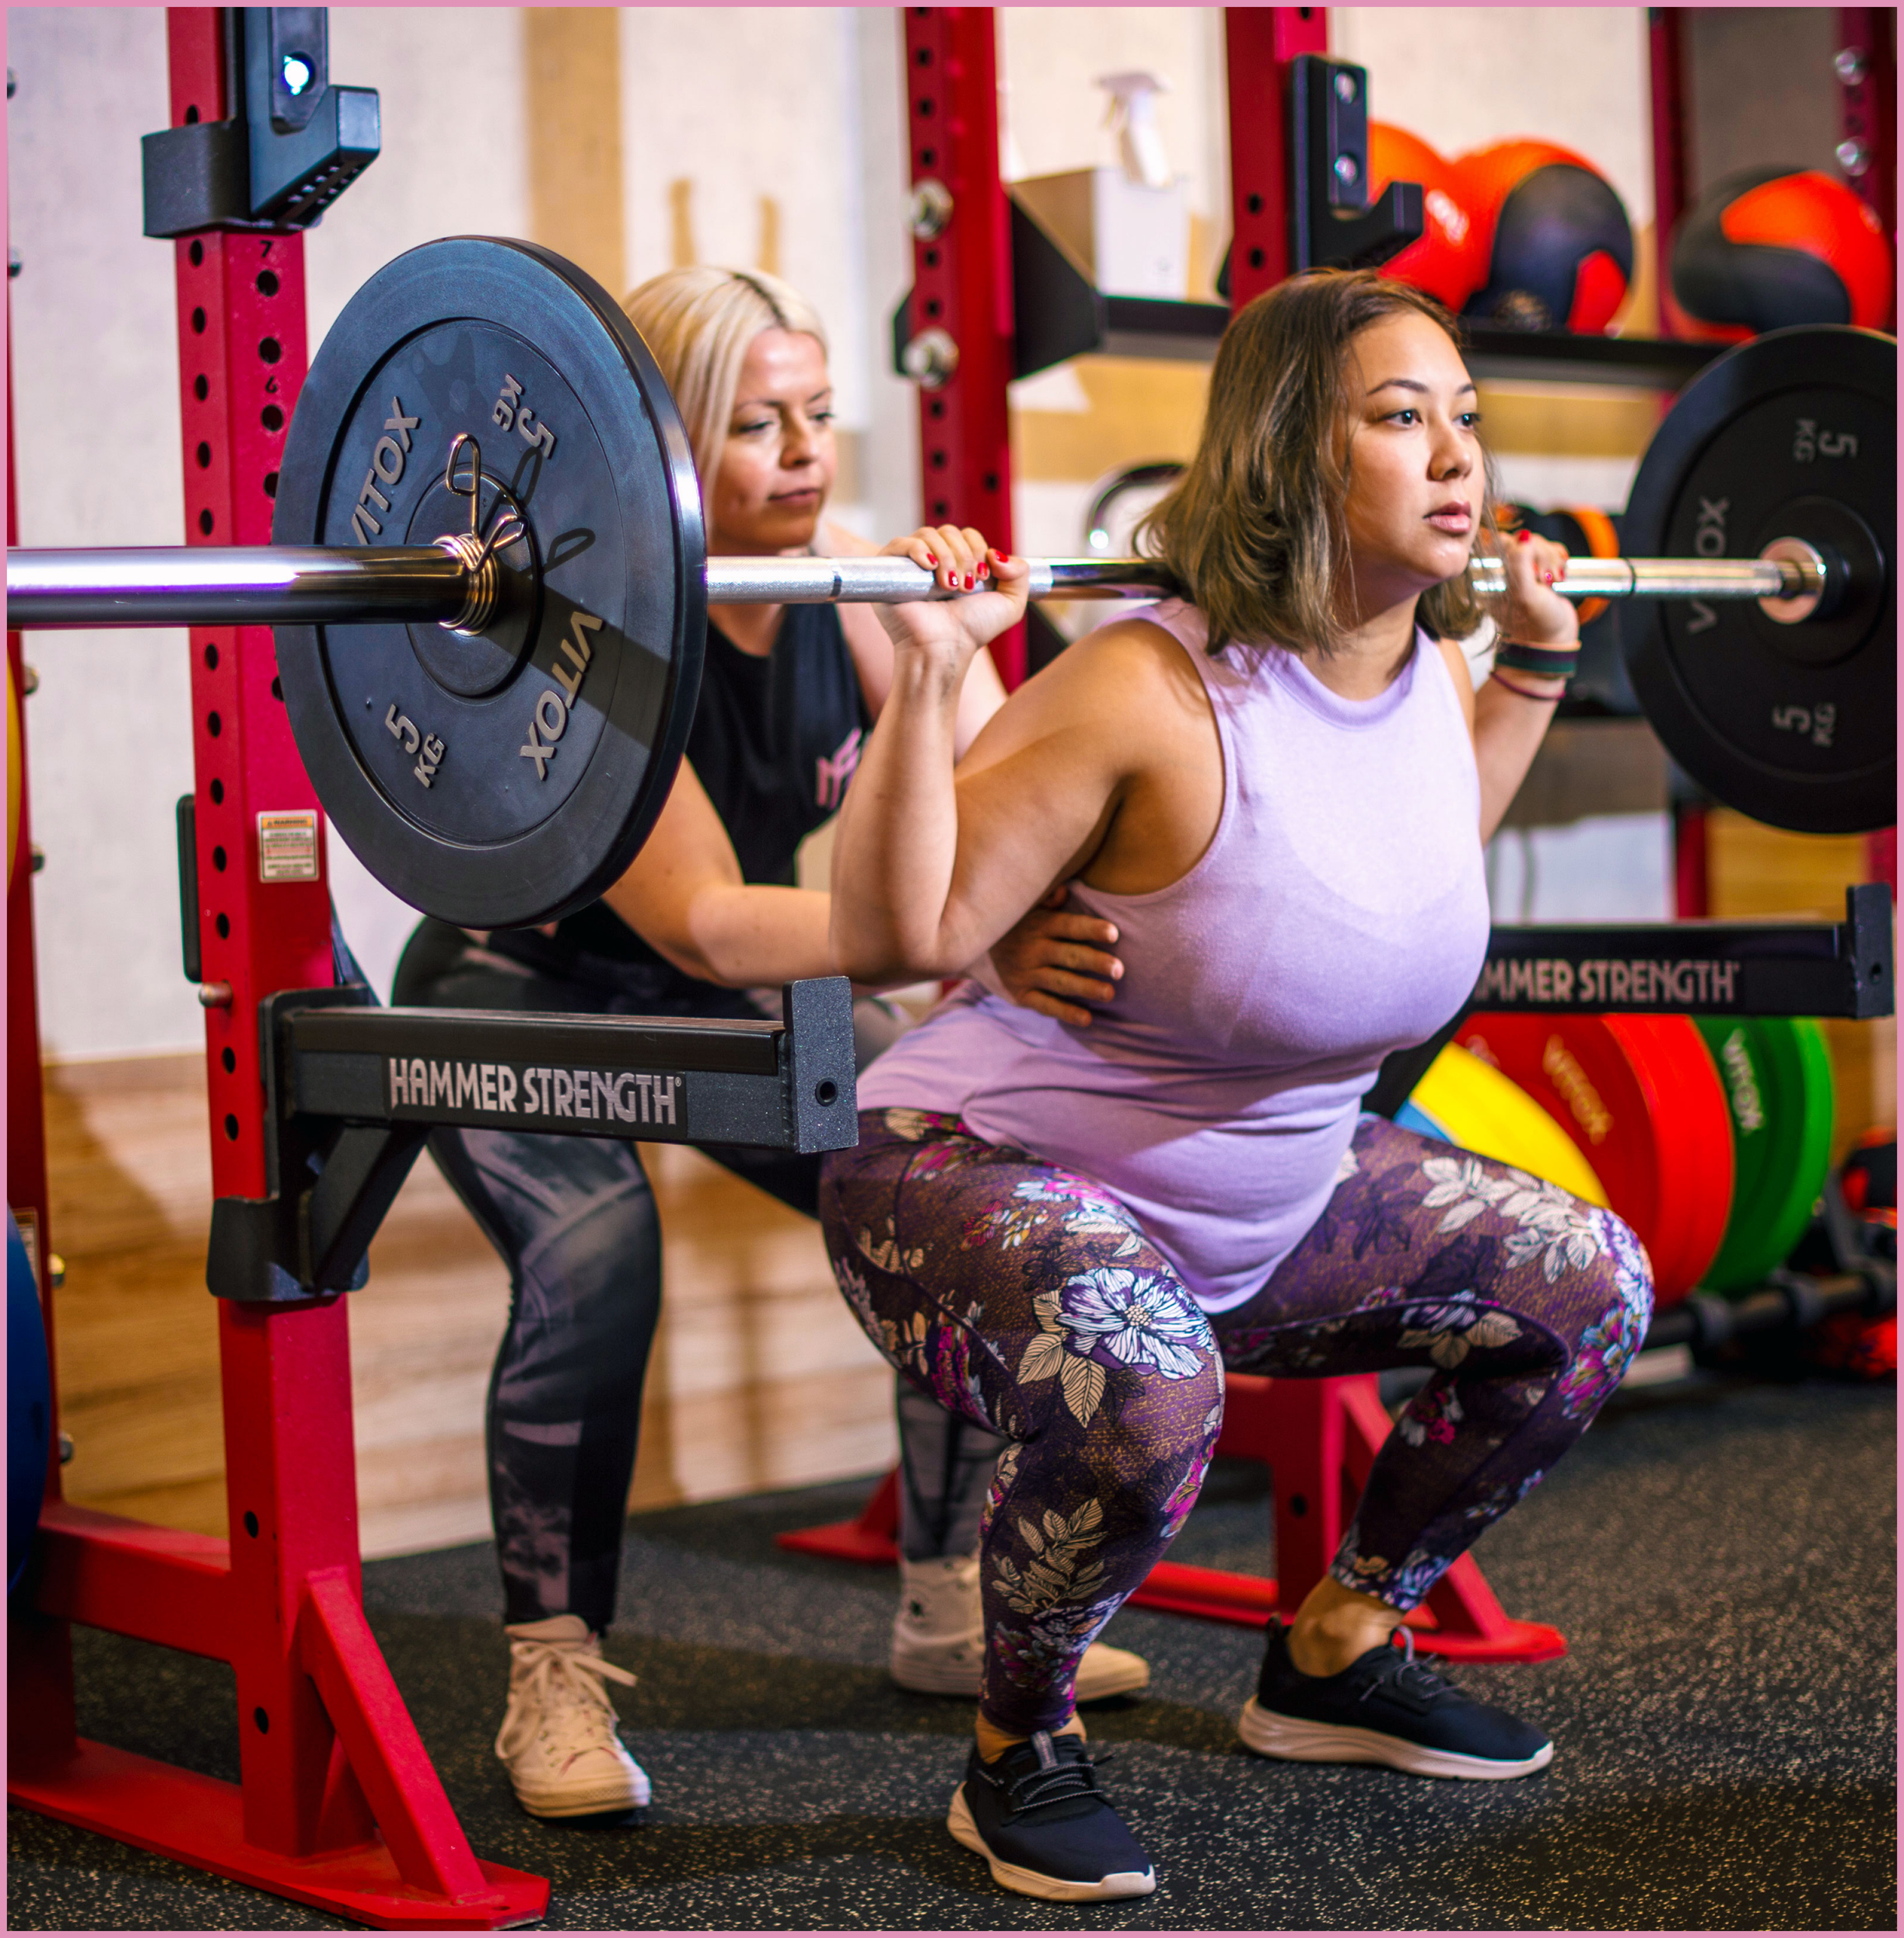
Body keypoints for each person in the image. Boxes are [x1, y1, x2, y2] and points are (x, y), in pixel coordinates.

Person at [817, 268, 1656, 1901]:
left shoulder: (1415, 666)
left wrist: (1537, 666)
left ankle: (1334, 1653)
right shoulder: (1145, 682)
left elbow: (1402, 864)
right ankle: (1016, 1751)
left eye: (1463, 419)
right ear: (1287, 451)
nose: (1454, 457)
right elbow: (899, 936)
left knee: (1590, 1284)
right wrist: (928, 674)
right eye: (1398, 419)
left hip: (1259, 1198)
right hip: (965, 1170)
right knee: (1146, 1384)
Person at [390, 265, 1146, 1824]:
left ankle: (948, 1597)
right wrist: (951, 934)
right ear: (663, 443)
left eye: (815, 413)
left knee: (947, 1199)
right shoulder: (597, 636)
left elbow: (1001, 809)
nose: (802, 451)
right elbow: (711, 929)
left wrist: (957, 644)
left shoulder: (851, 598)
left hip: (695, 980)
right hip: (512, 988)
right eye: (754, 423)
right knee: (595, 1256)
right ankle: (550, 1664)